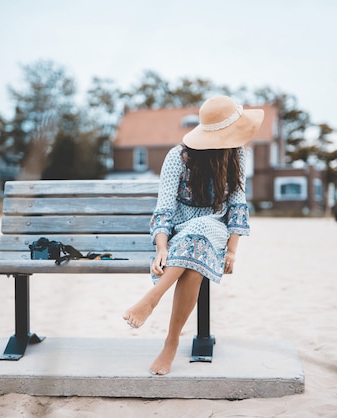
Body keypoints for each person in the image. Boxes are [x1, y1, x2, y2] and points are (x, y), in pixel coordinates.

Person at [123, 95, 265, 375]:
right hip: (180, 234)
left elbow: (237, 204)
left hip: (215, 228)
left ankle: (152, 299)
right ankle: (171, 342)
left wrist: (233, 249)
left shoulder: (237, 155)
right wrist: (161, 247)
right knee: (193, 265)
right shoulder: (178, 157)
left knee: (201, 231)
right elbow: (163, 209)